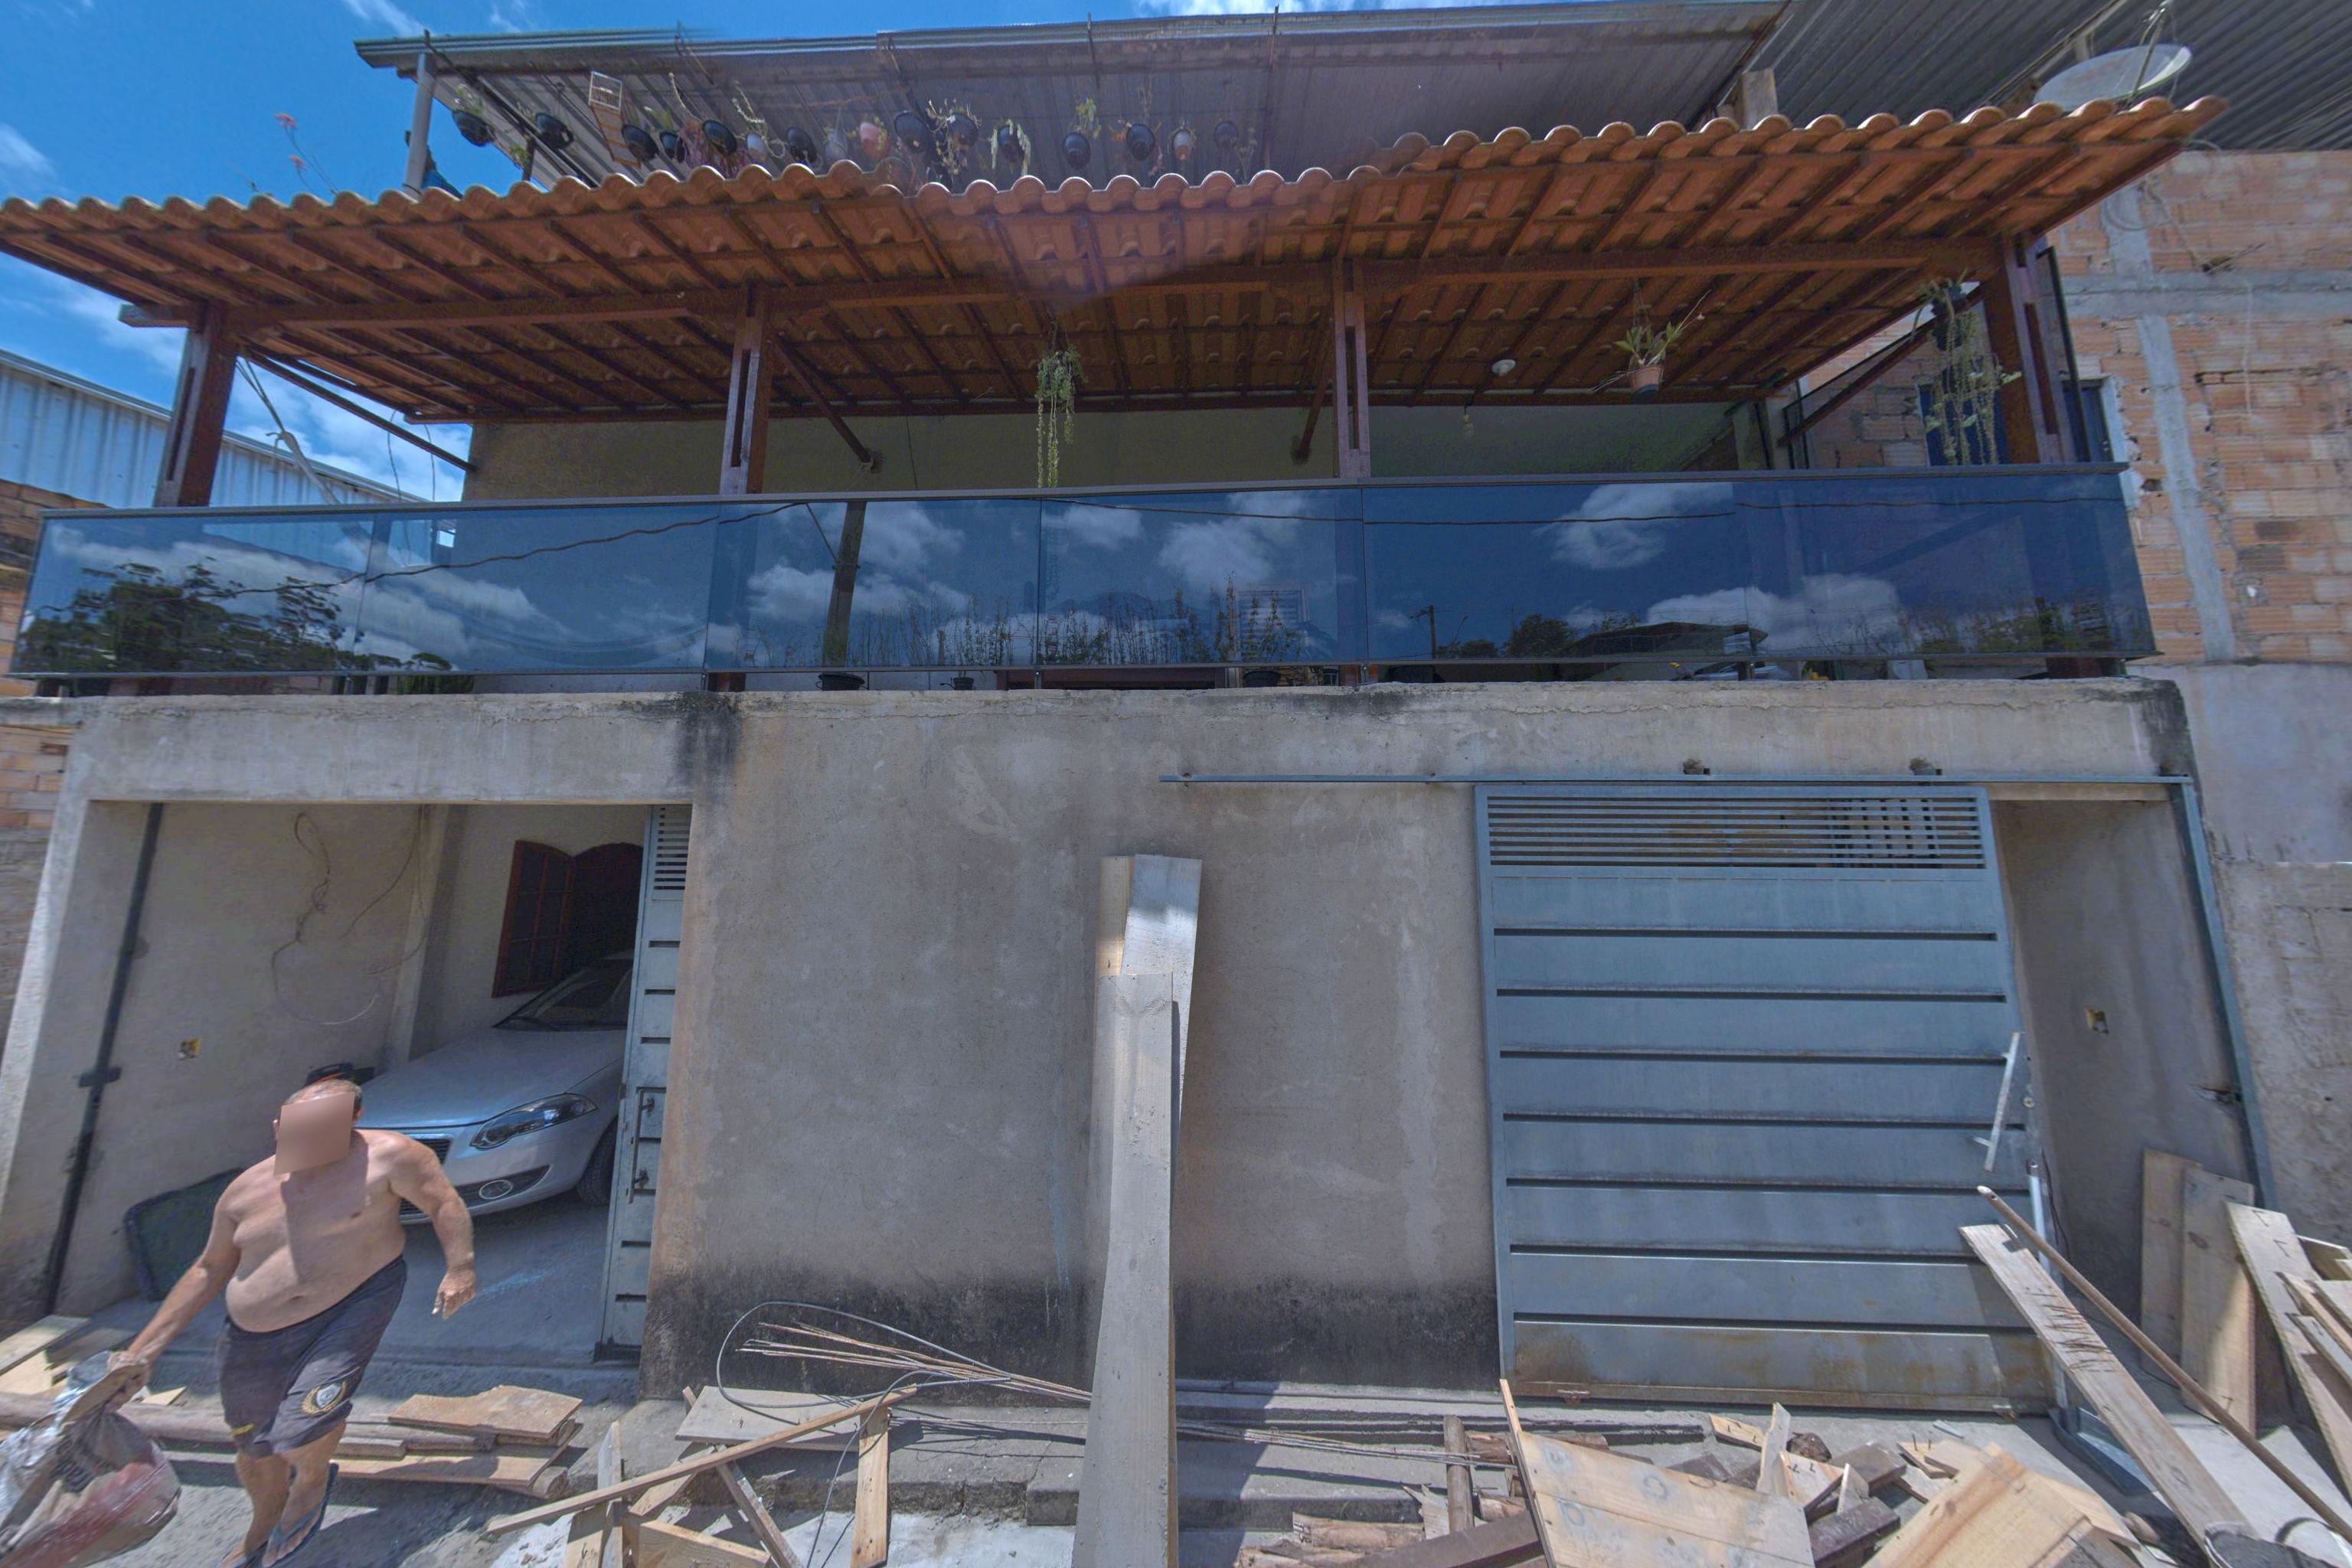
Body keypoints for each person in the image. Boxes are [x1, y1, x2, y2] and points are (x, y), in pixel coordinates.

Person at [111, 1077, 478, 1567]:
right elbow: (208, 1268)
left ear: (354, 1120)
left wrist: (460, 1267)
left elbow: (442, 1201)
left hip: (352, 1305)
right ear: (278, 1127)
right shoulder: (244, 1191)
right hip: (251, 1335)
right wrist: (144, 1350)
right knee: (254, 1446)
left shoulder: (391, 1157)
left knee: (306, 1421)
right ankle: (265, 1518)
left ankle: (310, 1480)